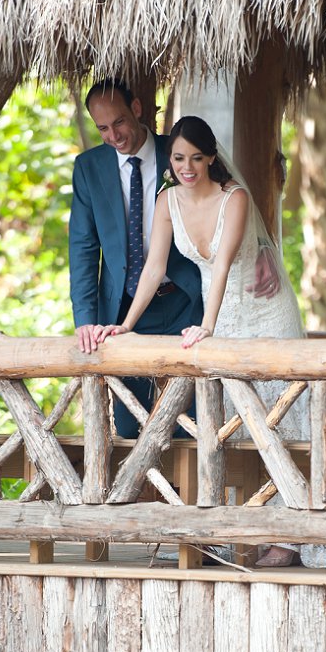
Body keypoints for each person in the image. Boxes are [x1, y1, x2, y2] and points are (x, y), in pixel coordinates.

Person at [80, 115, 311, 569]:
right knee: (232, 427)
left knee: (281, 422)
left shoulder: (235, 198)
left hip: (261, 314)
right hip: (217, 315)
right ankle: (238, 531)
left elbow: (222, 264)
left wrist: (207, 325)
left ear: (211, 158)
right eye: (179, 158)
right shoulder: (166, 201)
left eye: (197, 158)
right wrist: (126, 324)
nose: (187, 167)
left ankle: (293, 535)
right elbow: (153, 268)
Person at [68, 79, 204, 439]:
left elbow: (221, 201)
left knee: (190, 421)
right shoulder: (88, 167)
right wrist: (84, 319)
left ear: (138, 110)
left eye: (120, 122)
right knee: (131, 426)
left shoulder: (176, 153)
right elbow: (82, 247)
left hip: (184, 301)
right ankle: (144, 497)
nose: (113, 135)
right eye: (102, 128)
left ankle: (186, 496)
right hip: (123, 311)